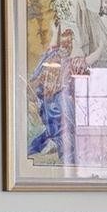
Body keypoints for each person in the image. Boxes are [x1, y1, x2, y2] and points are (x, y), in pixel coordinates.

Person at [26, 27, 79, 160]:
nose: (66, 47)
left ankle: (58, 145)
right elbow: (38, 74)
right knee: (56, 120)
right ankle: (54, 143)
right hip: (48, 98)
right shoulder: (51, 56)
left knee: (65, 118)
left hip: (57, 98)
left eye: (69, 44)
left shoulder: (68, 62)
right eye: (64, 44)